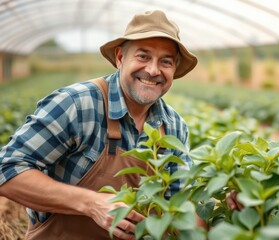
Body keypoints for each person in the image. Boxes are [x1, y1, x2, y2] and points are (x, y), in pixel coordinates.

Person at [0, 10, 205, 240]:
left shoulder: (173, 126)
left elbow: (183, 207)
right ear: (120, 58)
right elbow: (7, 168)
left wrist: (235, 209)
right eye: (143, 56)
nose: (153, 70)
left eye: (165, 61)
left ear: (174, 70)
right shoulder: (78, 104)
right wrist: (91, 203)